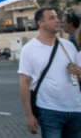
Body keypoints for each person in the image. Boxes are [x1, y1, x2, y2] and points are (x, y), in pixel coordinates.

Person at [18, 7, 81, 137]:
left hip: (76, 109)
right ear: (40, 23)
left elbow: (78, 77)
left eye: (57, 17)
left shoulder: (68, 45)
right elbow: (24, 83)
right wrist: (29, 115)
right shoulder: (29, 49)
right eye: (52, 18)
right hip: (49, 111)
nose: (57, 21)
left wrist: (78, 71)